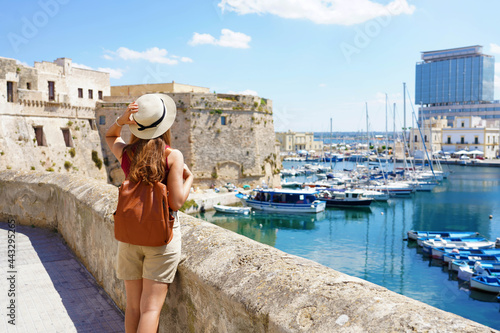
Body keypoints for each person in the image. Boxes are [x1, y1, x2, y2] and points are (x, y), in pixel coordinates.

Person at [105, 93, 194, 333]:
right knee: (151, 309)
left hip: (130, 236)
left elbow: (110, 135)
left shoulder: (127, 153)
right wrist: (190, 178)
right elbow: (176, 202)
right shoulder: (172, 155)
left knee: (133, 308)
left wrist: (122, 120)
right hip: (161, 238)